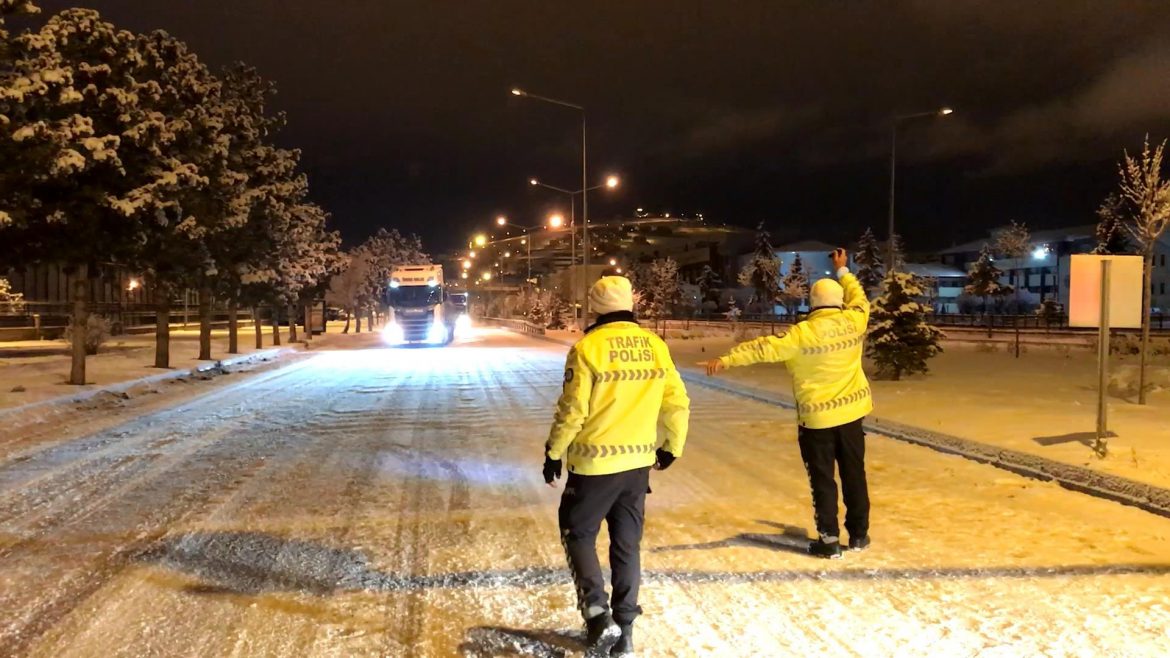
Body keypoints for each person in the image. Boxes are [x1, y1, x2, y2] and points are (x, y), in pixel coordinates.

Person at [544, 275, 691, 657]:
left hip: (594, 465)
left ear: (595, 307)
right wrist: (672, 445)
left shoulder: (588, 348)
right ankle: (624, 633)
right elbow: (677, 401)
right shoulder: (655, 345)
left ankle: (596, 614)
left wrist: (553, 452)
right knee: (627, 546)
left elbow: (574, 411)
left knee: (577, 533)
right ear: (631, 303)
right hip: (638, 465)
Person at [707, 248, 871, 559]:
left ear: (812, 303)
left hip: (817, 422)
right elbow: (860, 298)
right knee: (854, 474)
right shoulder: (855, 321)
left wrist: (726, 359)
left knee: (822, 479)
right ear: (839, 302)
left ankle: (829, 540)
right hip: (852, 417)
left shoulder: (801, 334)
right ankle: (859, 535)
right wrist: (843, 270)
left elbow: (763, 348)